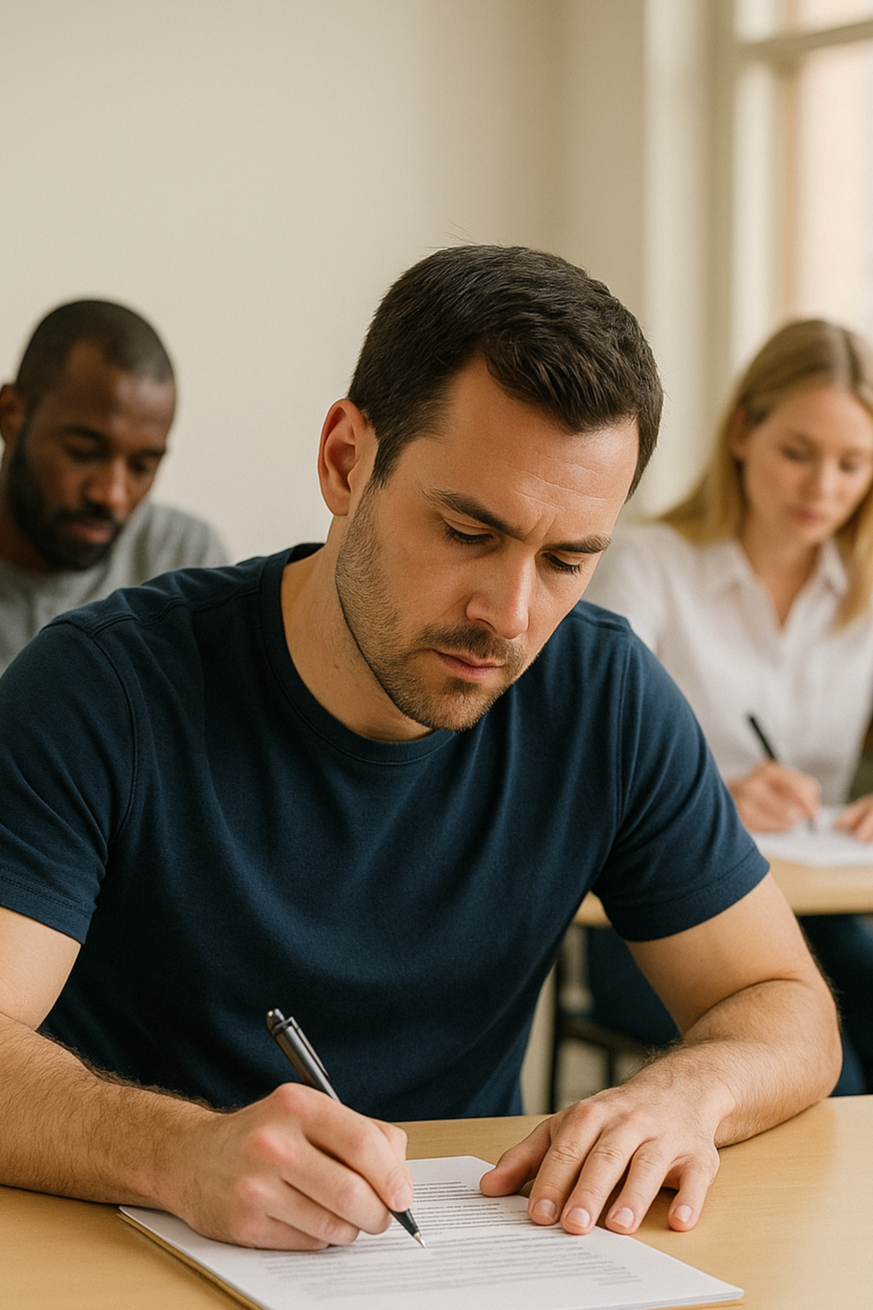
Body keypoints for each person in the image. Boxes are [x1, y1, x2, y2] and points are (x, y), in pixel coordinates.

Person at [0, 248, 839, 1253]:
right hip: (130, 1253)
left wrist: (686, 1093)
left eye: (569, 558)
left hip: (463, 1257)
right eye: (467, 531)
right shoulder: (103, 687)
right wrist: (180, 1149)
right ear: (346, 460)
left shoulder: (603, 696)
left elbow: (787, 1008)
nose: (511, 616)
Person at [585, 316, 873, 1094]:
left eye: (852, 465)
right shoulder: (647, 568)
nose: (823, 489)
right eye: (797, 453)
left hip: (820, 913)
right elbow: (586, 754)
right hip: (657, 924)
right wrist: (713, 798)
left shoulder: (864, 598)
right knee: (829, 1073)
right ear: (742, 431)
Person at [0, 299, 227, 672]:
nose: (112, 495)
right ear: (12, 416)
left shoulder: (185, 565)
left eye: (142, 466)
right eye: (83, 453)